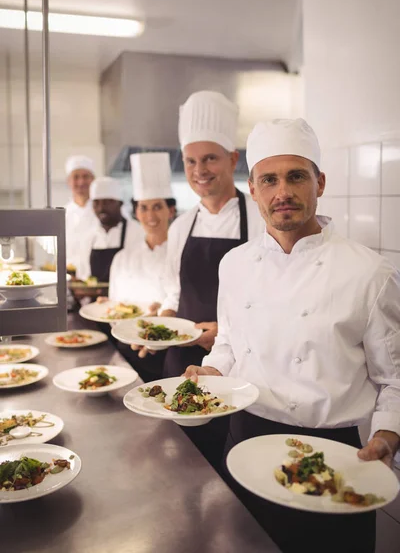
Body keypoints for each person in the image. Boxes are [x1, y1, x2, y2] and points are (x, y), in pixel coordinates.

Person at [184, 118, 400, 553]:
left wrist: (387, 435)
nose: (282, 192)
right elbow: (228, 342)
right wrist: (208, 372)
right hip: (243, 440)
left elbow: (394, 378)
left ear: (319, 182)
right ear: (253, 188)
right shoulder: (235, 264)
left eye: (296, 176)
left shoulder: (370, 274)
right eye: (269, 179)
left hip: (332, 457)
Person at [139, 91, 263, 471]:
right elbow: (173, 291)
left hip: (234, 362)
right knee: (176, 464)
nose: (199, 170)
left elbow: (269, 301)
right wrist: (161, 330)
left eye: (210, 158)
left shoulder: (259, 221)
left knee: (226, 467)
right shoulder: (180, 227)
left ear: (233, 159)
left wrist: (222, 331)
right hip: (182, 359)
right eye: (191, 161)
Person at [109, 153, 176, 382]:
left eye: (157, 206)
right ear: (136, 213)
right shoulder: (122, 258)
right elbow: (114, 310)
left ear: (171, 211)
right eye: (143, 207)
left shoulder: (181, 255)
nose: (150, 215)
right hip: (128, 350)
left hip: (169, 351)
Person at [76, 176, 143, 283]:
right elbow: (83, 276)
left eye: (107, 202)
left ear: (120, 204)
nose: (101, 208)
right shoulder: (89, 237)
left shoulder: (137, 232)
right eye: (96, 203)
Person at [64, 155, 96, 271]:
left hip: (97, 278)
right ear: (68, 181)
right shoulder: (63, 214)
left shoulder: (103, 212)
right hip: (67, 277)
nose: (81, 182)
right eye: (76, 177)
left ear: (93, 180)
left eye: (85, 176)